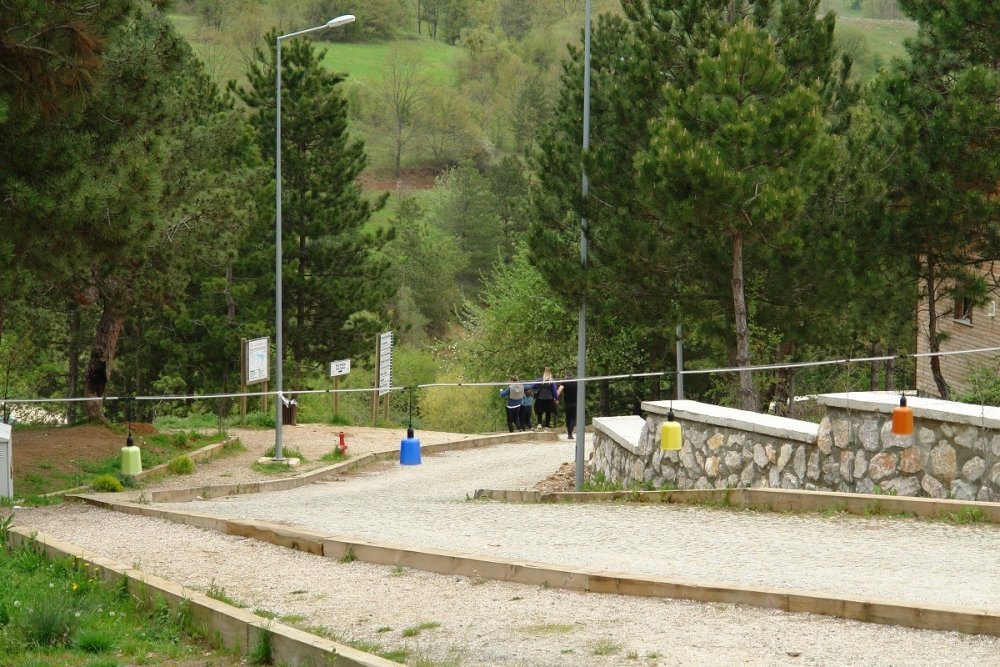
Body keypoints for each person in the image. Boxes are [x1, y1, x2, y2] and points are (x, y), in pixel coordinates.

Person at [557, 372, 578, 440]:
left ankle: (569, 434)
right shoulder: (576, 383)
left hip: (567, 404)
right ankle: (570, 433)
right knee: (572, 418)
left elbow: (559, 391)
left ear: (566, 376)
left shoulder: (564, 383)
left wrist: (556, 398)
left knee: (568, 418)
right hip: (575, 403)